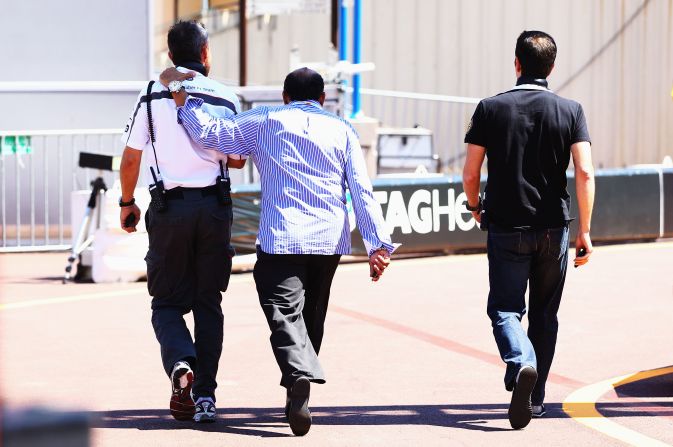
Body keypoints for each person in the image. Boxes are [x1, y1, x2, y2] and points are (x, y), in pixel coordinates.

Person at [158, 66, 395, 436]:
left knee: (284, 311)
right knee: (312, 316)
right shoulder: (342, 129)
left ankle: (298, 374)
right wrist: (377, 245)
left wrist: (183, 101)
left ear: (284, 97)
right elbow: (361, 190)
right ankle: (296, 390)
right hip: (328, 239)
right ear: (322, 99)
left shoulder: (264, 119)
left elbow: (211, 135)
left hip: (282, 236)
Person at [462, 30, 595, 429]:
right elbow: (585, 171)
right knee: (545, 315)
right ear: (551, 67)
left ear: (516, 64)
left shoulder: (489, 108)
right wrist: (586, 231)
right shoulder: (571, 110)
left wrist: (474, 207)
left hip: (505, 225)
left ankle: (521, 363)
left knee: (504, 309)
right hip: (554, 227)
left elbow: (471, 172)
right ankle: (535, 399)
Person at [118, 20, 246, 423]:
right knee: (209, 302)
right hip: (214, 208)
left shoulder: (152, 91)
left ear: (170, 55)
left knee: (167, 302)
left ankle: (180, 364)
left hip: (169, 209)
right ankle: (206, 396)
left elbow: (132, 157)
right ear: (205, 53)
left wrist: (126, 203)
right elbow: (239, 158)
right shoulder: (226, 96)